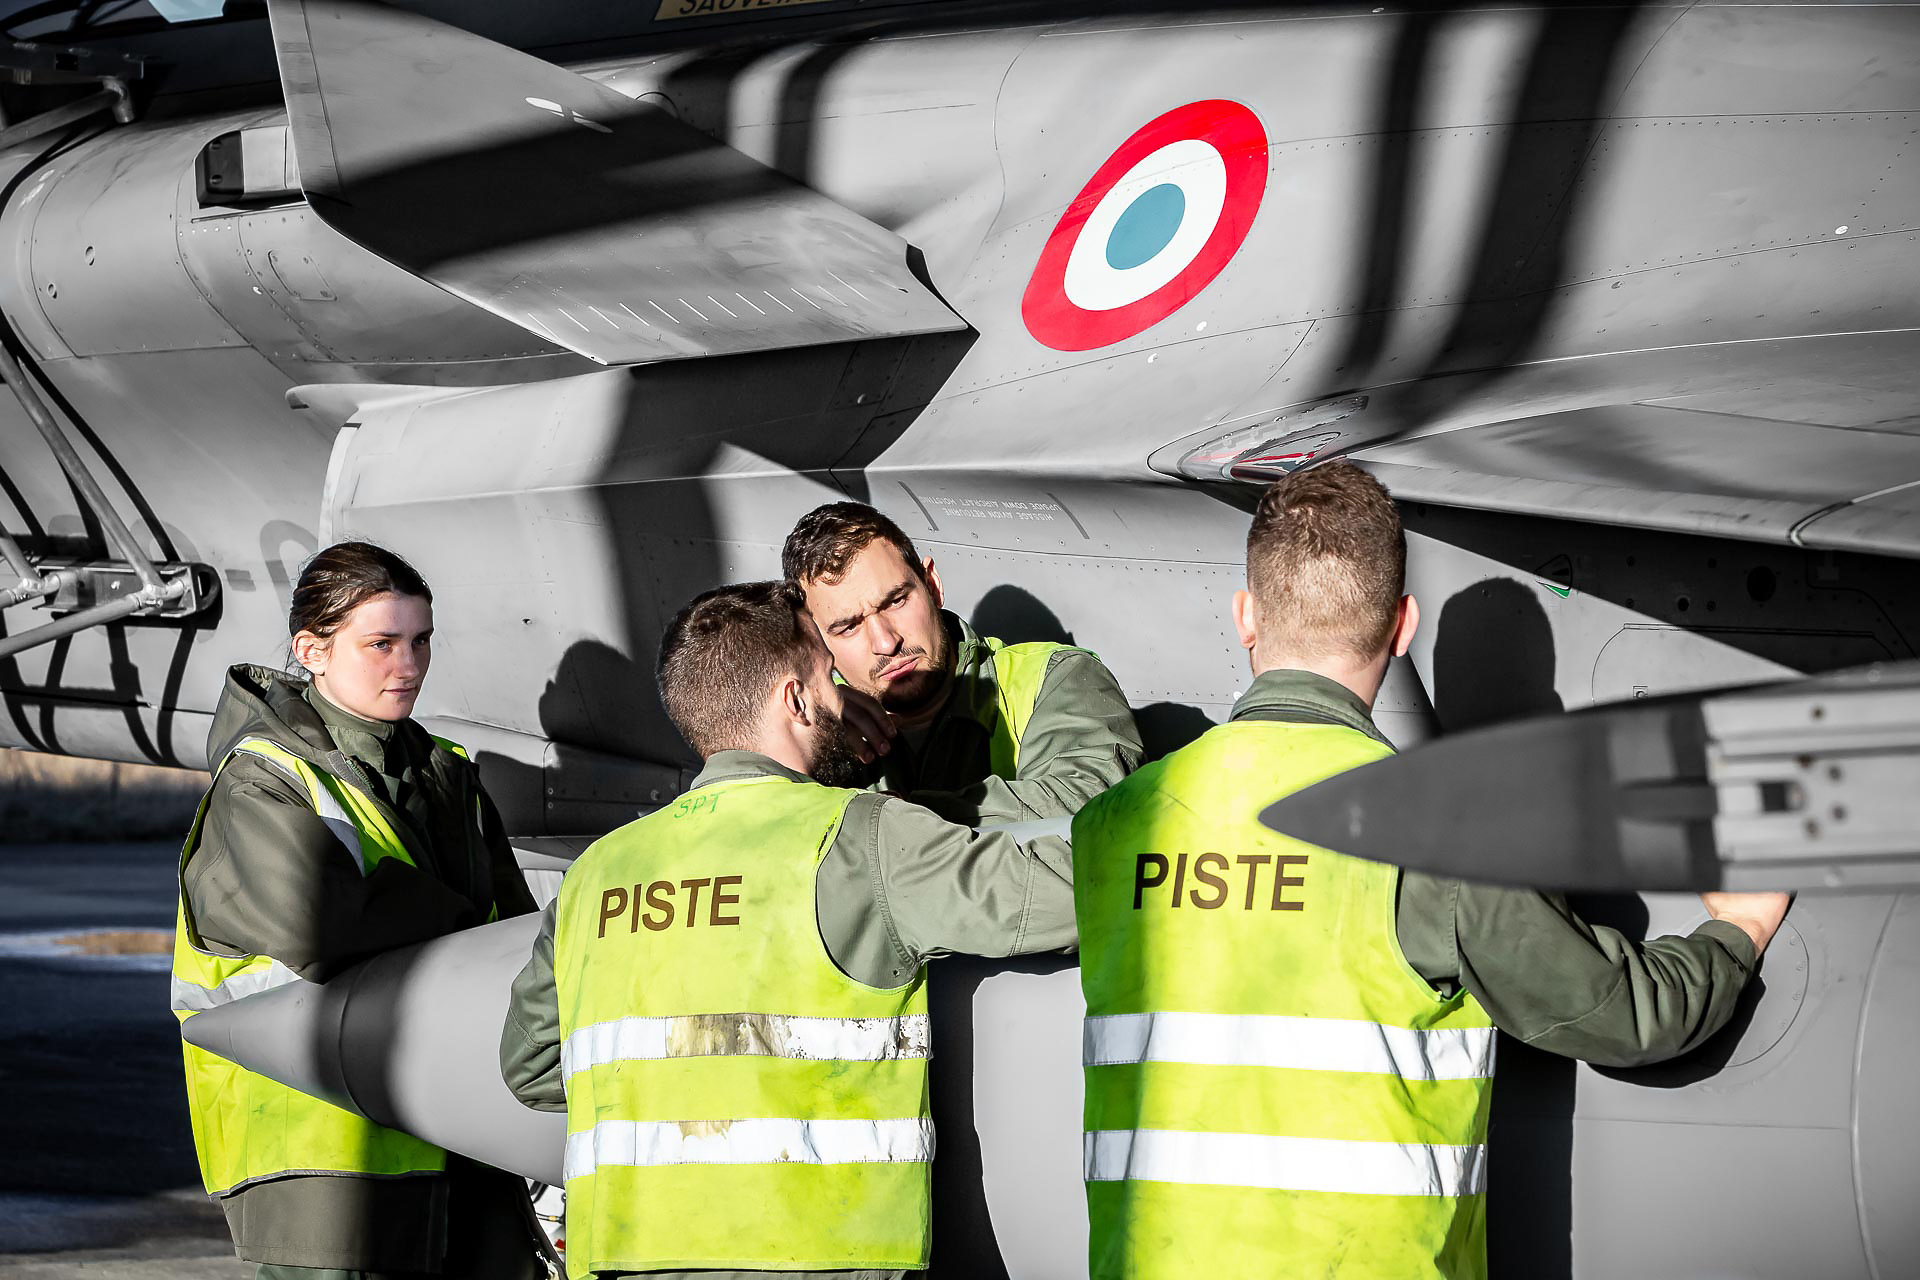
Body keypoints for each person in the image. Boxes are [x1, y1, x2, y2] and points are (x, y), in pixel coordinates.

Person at [1071, 462, 1790, 1280]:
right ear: (1403, 625)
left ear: (1246, 616)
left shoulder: (1111, 825)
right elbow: (1621, 1018)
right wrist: (1742, 928)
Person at [499, 580, 1078, 1279]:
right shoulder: (859, 837)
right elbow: (1064, 898)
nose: (844, 695)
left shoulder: (596, 875)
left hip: (627, 1258)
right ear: (796, 700)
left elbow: (531, 1067)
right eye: (829, 676)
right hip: (819, 1255)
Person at [170, 542, 547, 1280]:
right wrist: (457, 921)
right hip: (322, 1145)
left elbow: (518, 935)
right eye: (381, 644)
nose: (407, 665)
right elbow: (320, 923)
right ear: (312, 650)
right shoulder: (261, 782)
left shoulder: (447, 772)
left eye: (421, 641)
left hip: (462, 1130)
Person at [782, 501, 1141, 824]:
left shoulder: (1056, 679)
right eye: (848, 627)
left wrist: (892, 820)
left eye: (895, 602)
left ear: (932, 585)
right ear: (816, 644)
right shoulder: (814, 726)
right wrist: (813, 750)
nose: (886, 642)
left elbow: (1088, 805)